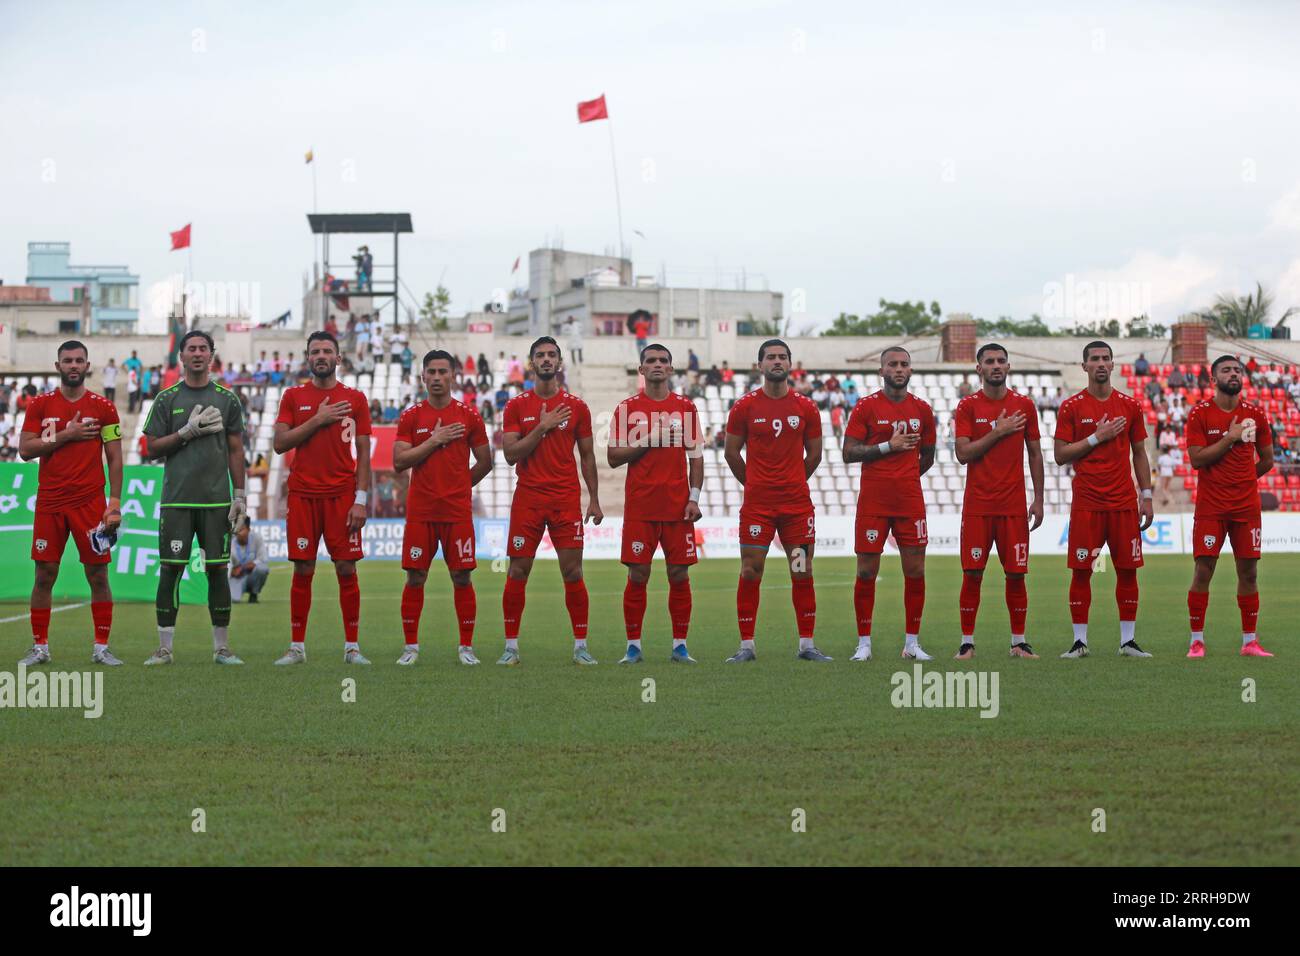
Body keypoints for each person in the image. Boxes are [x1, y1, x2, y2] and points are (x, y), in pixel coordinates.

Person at [141, 330, 247, 665]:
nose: (197, 353)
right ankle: (165, 648)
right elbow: (151, 449)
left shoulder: (227, 400)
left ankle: (222, 648)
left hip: (217, 500)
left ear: (212, 354)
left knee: (218, 571)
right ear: (182, 356)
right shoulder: (166, 399)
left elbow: (235, 450)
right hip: (177, 500)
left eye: (203, 348)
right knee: (170, 570)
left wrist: (240, 495)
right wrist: (186, 432)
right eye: (191, 349)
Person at [17, 340, 124, 666]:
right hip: (49, 501)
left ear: (87, 366)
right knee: (44, 574)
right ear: (58, 366)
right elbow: (25, 449)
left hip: (90, 503)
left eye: (79, 360)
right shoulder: (40, 405)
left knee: (98, 575)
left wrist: (114, 502)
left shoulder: (104, 407)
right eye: (68, 360)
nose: (74, 365)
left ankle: (101, 647)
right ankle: (40, 647)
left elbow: (115, 459)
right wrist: (67, 434)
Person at [723, 339, 827, 662]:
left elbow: (815, 455)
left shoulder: (806, 407)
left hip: (796, 507)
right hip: (758, 507)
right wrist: (755, 484)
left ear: (790, 364)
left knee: (801, 570)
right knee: (751, 570)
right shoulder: (744, 407)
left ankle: (807, 646)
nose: (777, 361)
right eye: (771, 357)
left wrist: (792, 481)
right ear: (760, 366)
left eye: (782, 357)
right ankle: (746, 646)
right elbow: (730, 453)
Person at [500, 336, 602, 665]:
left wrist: (594, 499)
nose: (546, 360)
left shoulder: (578, 406)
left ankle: (581, 646)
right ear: (532, 363)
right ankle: (511, 648)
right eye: (540, 355)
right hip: (528, 498)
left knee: (572, 572)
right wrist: (542, 427)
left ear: (559, 363)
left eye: (551, 355)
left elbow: (587, 457)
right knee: (517, 570)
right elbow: (511, 455)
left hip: (565, 499)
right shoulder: (516, 406)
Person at [273, 331, 373, 666]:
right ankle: (297, 647)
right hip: (303, 495)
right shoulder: (293, 396)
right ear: (307, 357)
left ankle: (352, 647)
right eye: (315, 351)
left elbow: (363, 451)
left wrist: (361, 499)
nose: (321, 356)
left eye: (327, 351)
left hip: (342, 496)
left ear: (338, 358)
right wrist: (318, 419)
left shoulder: (355, 398)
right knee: (303, 567)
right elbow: (280, 443)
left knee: (346, 567)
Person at [1054, 341, 1154, 659]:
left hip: (1124, 503)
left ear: (1112, 365)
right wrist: (1098, 436)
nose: (1100, 363)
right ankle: (1079, 642)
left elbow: (1139, 453)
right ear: (1084, 366)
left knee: (1128, 571)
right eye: (1094, 359)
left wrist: (1147, 495)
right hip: (1087, 503)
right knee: (1082, 572)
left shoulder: (1130, 405)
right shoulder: (1071, 407)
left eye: (1105, 358)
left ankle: (1128, 642)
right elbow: (1059, 455)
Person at [392, 350, 493, 665]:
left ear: (453, 376)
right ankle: (411, 648)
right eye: (431, 372)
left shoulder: (469, 415)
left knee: (462, 577)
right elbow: (399, 461)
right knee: (415, 577)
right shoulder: (411, 416)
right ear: (423, 377)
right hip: (421, 513)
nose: (436, 377)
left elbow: (486, 461)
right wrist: (434, 440)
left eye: (442, 372)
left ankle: (466, 647)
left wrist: (461, 488)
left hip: (456, 513)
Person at [607, 343, 704, 664]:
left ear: (672, 369)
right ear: (642, 369)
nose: (658, 365)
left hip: (678, 508)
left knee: (679, 575)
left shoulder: (686, 408)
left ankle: (680, 645)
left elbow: (696, 457)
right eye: (651, 361)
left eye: (664, 361)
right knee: (638, 575)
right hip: (641, 508)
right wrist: (649, 439)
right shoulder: (626, 409)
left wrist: (694, 498)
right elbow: (613, 457)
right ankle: (633, 646)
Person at [842, 346, 936, 661]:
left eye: (904, 364)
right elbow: (848, 452)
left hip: (910, 502)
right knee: (867, 571)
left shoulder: (922, 410)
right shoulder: (866, 408)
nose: (898, 369)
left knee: (916, 570)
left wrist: (905, 476)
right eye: (892, 364)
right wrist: (887, 447)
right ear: (881, 371)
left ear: (910, 371)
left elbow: (928, 455)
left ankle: (911, 644)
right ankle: (864, 644)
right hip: (873, 501)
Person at [952, 344, 1046, 659]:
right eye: (989, 361)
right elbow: (963, 454)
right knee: (972, 573)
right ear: (978, 369)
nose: (996, 366)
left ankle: (1018, 642)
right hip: (978, 507)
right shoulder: (967, 407)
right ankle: (967, 643)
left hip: (1013, 508)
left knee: (1017, 574)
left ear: (1008, 367)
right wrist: (998, 430)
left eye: (1001, 361)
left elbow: (1035, 452)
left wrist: (1039, 498)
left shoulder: (1024, 405)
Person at [1184, 356, 1275, 657]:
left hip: (1246, 508)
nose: (1233, 374)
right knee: (1203, 570)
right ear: (1213, 380)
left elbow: (1267, 459)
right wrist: (1230, 438)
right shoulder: (1200, 414)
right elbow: (1197, 459)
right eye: (1226, 370)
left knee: (1249, 573)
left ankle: (1250, 641)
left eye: (1237, 370)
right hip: (1211, 507)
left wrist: (1244, 482)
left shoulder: (1256, 414)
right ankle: (1197, 640)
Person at [229, 518, 270, 603]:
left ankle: (254, 594)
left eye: (241, 529)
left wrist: (244, 567)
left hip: (252, 574)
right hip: (237, 577)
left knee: (262, 569)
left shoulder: (256, 538)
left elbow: (263, 559)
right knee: (234, 600)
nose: (238, 532)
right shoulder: (230, 541)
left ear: (248, 529)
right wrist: (232, 571)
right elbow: (227, 565)